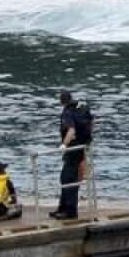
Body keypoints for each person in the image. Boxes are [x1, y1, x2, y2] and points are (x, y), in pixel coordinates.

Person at [51, 90, 94, 220]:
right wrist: (86, 140)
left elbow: (71, 130)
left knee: (68, 178)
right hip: (82, 146)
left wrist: (64, 145)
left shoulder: (67, 112)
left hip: (73, 149)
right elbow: (92, 122)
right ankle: (63, 208)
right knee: (66, 177)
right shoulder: (81, 107)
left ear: (61, 101)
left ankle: (70, 211)